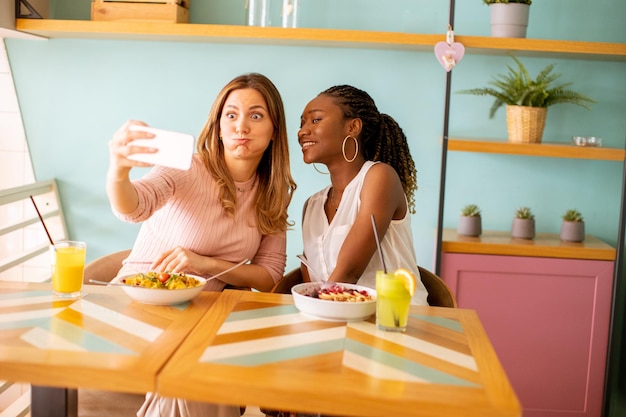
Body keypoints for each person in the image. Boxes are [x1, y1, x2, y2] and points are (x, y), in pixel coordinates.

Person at [106, 73, 297, 417]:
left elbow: (269, 277)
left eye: (256, 116)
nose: (242, 126)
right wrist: (118, 171)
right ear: (218, 126)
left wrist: (206, 264)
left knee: (199, 370)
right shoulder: (186, 169)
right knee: (195, 375)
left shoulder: (272, 194)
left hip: (202, 316)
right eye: (231, 115)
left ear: (274, 131)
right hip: (141, 303)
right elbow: (134, 207)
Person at [297, 84, 429, 305]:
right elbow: (310, 283)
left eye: (316, 120)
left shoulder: (380, 177)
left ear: (353, 127)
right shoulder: (312, 205)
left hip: (396, 321)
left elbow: (348, 273)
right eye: (301, 123)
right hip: (337, 320)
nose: (302, 131)